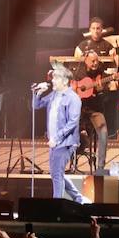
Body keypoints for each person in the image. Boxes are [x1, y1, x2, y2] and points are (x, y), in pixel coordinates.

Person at [32, 65, 85, 202]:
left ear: (65, 81)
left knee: (56, 174)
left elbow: (72, 123)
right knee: (57, 173)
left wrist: (57, 138)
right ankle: (79, 199)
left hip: (66, 142)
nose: (52, 81)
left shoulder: (73, 98)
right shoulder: (54, 95)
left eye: (56, 78)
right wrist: (38, 93)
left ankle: (57, 207)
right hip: (55, 142)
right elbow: (36, 105)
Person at [74, 51, 112, 174]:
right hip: (79, 109)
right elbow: (72, 87)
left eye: (97, 61)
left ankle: (100, 167)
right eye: (93, 61)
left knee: (103, 133)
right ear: (86, 60)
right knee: (69, 130)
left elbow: (107, 98)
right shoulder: (79, 73)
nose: (95, 63)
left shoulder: (102, 75)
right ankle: (69, 161)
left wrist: (101, 92)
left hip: (95, 110)